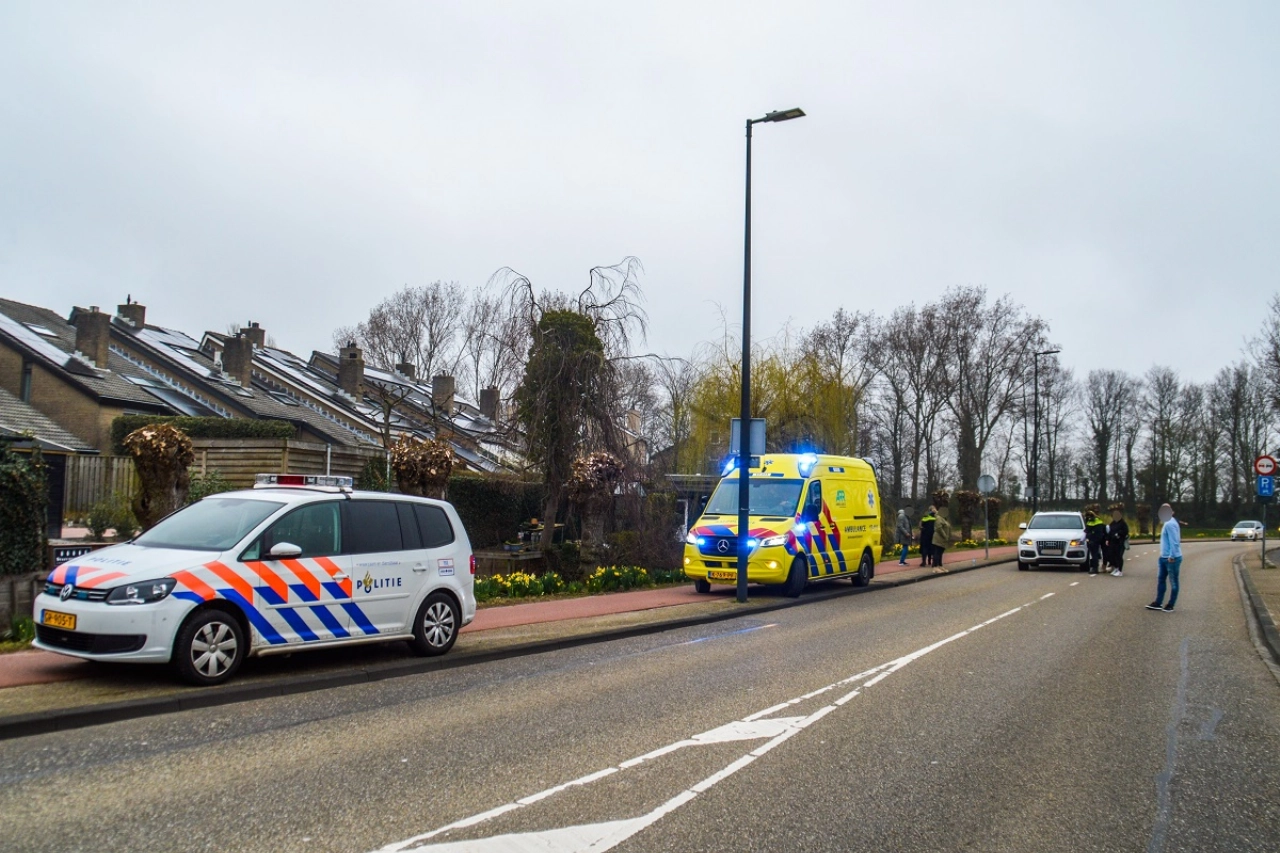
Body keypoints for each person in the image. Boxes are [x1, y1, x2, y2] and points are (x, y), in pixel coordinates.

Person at [1146, 503, 1182, 612]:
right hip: (1164, 557)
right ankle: (1158, 602)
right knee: (1161, 580)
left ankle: (1170, 604)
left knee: (1173, 581)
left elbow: (1175, 542)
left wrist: (1172, 555)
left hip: (1171, 558)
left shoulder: (1170, 524)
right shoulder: (1169, 523)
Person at [1106, 508, 1130, 577]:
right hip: (1112, 542)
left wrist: (1118, 534)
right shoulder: (1112, 523)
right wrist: (1107, 539)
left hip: (1120, 542)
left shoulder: (1123, 523)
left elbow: (1126, 531)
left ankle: (1120, 570)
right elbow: (1109, 532)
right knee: (1113, 556)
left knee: (1119, 556)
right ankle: (1116, 568)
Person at [1085, 509, 1107, 576]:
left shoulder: (1096, 522)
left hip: (1094, 540)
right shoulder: (1097, 521)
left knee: (1094, 554)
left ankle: (1095, 568)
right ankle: (1094, 567)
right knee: (1093, 554)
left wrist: (1091, 539)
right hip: (1093, 540)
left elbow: (1094, 532)